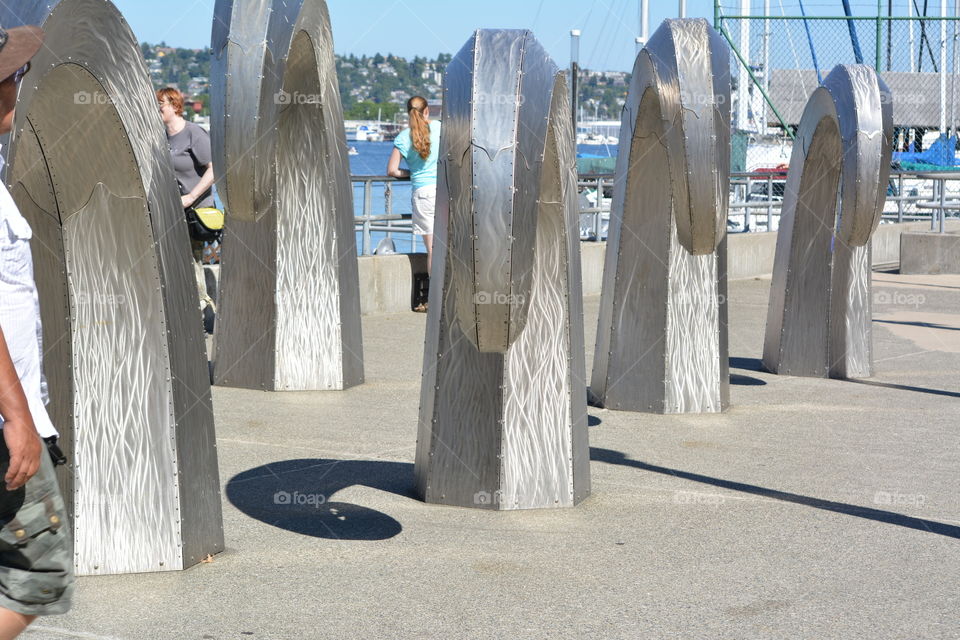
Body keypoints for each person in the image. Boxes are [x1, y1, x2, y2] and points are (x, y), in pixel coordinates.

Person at [0, 24, 75, 638]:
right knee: (37, 577)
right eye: (14, 75)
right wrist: (19, 419)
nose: (19, 86)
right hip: (6, 423)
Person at [157, 87, 217, 319]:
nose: (157, 109)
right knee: (174, 262)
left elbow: (214, 169)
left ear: (174, 105)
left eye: (160, 104)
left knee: (192, 260)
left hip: (196, 212)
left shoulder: (194, 133)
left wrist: (192, 196)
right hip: (174, 212)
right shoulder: (162, 138)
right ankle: (187, 310)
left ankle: (200, 309)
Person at [387, 96, 440, 311]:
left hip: (423, 193)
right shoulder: (440, 128)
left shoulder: (402, 137)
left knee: (433, 249)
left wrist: (413, 173)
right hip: (445, 191)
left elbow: (392, 170)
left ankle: (434, 300)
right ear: (427, 111)